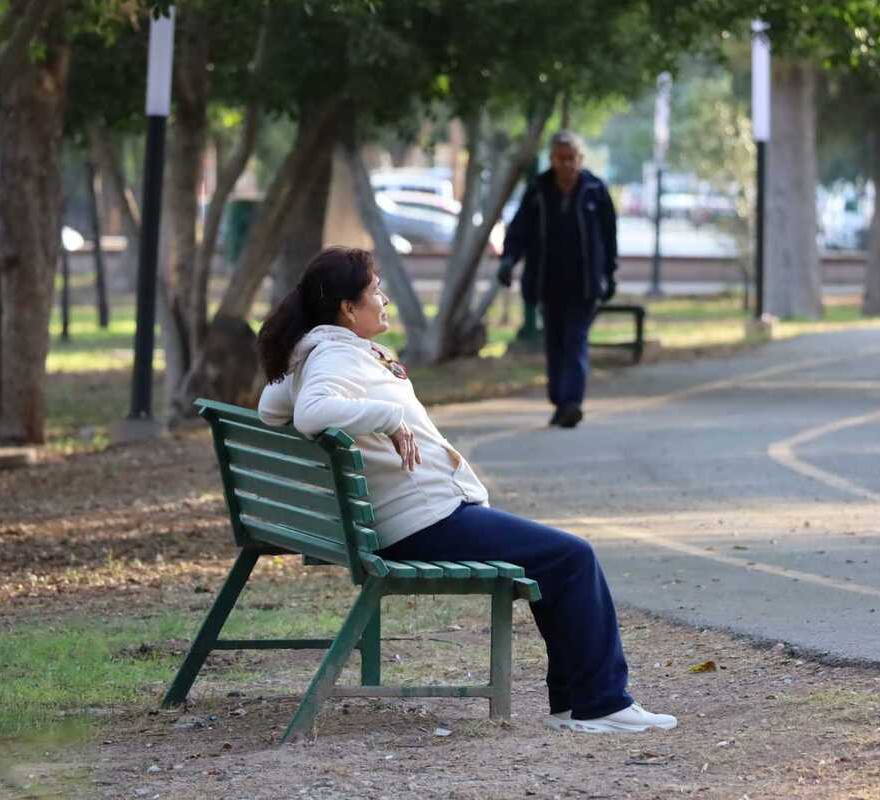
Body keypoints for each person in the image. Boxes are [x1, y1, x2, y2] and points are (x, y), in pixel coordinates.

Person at [257, 246, 676, 734]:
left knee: (558, 557)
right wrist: (387, 417)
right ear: (349, 308)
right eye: (375, 291)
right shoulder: (331, 354)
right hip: (420, 522)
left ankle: (581, 703)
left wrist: (311, 373)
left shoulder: (325, 350)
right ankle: (599, 703)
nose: (384, 298)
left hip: (413, 516)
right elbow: (310, 413)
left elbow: (272, 407)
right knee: (572, 557)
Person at [497, 130, 619, 429]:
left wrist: (610, 274)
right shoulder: (538, 190)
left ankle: (571, 402)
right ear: (551, 159)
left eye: (572, 159)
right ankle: (560, 400)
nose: (566, 165)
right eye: (560, 159)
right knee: (555, 344)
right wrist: (509, 260)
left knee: (575, 340)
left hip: (584, 283)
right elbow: (519, 230)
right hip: (548, 282)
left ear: (580, 159)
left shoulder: (595, 190)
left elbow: (609, 236)